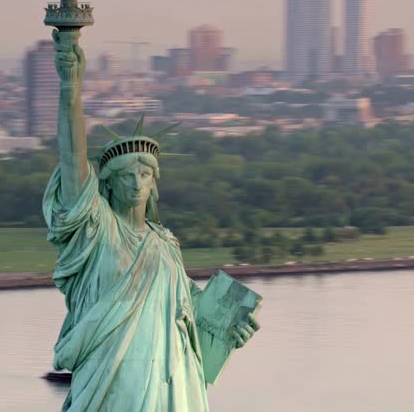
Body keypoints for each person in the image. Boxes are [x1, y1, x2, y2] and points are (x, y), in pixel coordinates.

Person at [44, 28, 258, 411]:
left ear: (155, 183)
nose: (137, 182)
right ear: (108, 185)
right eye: (127, 174)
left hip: (171, 379)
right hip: (112, 375)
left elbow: (194, 315)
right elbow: (73, 160)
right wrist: (70, 87)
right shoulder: (98, 232)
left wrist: (230, 330)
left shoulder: (165, 244)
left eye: (145, 174)